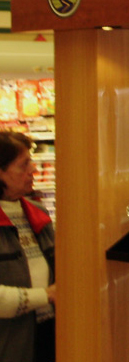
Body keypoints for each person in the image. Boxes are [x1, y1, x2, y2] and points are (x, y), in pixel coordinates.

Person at [0, 131, 55, 362]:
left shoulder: (37, 213)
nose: (33, 169)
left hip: (46, 336)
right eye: (23, 164)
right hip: (10, 345)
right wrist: (46, 295)